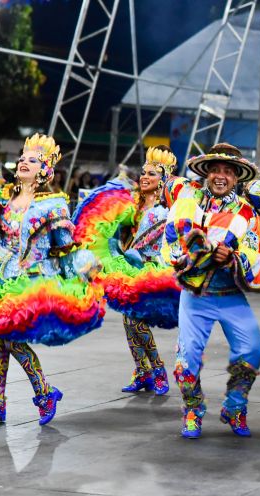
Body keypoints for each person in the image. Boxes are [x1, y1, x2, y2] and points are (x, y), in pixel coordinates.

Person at [0, 134, 102, 426]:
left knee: (10, 340)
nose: (25, 162)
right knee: (1, 341)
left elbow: (65, 249)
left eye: (33, 159)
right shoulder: (3, 200)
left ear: (45, 170)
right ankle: (7, 401)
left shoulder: (54, 205)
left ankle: (31, 394)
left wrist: (83, 269)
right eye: (23, 158)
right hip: (1, 280)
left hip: (31, 284)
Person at [163, 143, 260, 439]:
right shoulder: (188, 201)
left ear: (236, 178)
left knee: (254, 349)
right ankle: (192, 410)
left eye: (228, 172)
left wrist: (232, 257)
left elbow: (256, 251)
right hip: (194, 296)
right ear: (206, 174)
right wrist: (194, 253)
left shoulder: (245, 212)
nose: (221, 176)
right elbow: (171, 241)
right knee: (186, 359)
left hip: (230, 294)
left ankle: (235, 406)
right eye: (216, 170)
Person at [114, 146, 178, 396]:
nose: (144, 177)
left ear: (163, 180)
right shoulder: (133, 205)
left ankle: (158, 369)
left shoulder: (165, 211)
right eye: (143, 172)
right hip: (130, 270)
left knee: (134, 320)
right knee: (127, 322)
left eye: (151, 174)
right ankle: (142, 371)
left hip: (152, 272)